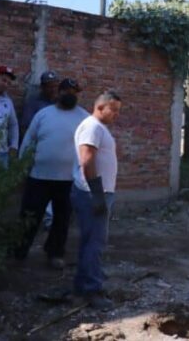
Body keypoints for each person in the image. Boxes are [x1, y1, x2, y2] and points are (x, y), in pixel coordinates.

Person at [15, 78, 88, 268]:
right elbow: (29, 140)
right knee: (29, 216)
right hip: (39, 176)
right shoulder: (43, 114)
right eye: (65, 91)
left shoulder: (84, 118)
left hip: (68, 179)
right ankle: (19, 251)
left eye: (73, 92)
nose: (69, 95)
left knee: (62, 219)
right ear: (59, 92)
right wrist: (22, 164)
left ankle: (55, 253)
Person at [72, 90, 122, 310]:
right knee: (95, 243)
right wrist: (97, 194)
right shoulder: (92, 127)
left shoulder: (98, 128)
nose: (116, 115)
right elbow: (87, 159)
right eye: (114, 110)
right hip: (92, 193)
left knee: (90, 241)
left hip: (97, 192)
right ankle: (92, 290)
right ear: (100, 107)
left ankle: (83, 285)